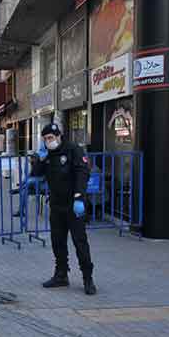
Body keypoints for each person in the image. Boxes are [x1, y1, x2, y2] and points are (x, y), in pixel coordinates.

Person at [31, 123, 97, 295]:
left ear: (59, 136)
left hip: (74, 204)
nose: (49, 141)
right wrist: (41, 158)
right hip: (56, 205)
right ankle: (61, 274)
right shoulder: (48, 154)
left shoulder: (73, 150)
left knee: (79, 241)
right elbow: (36, 173)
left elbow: (83, 173)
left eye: (51, 138)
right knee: (57, 241)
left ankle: (88, 278)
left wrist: (79, 197)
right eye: (45, 139)